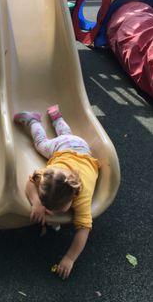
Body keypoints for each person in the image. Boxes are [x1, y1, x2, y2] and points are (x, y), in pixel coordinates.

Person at [14, 105, 100, 280]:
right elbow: (31, 182)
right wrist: (37, 203)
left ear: (73, 198)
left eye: (57, 209)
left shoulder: (81, 198)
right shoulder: (50, 173)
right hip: (74, 144)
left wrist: (70, 258)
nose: (50, 212)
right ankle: (48, 119)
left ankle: (41, 119)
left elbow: (84, 230)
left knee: (41, 144)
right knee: (58, 139)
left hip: (73, 147)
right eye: (48, 207)